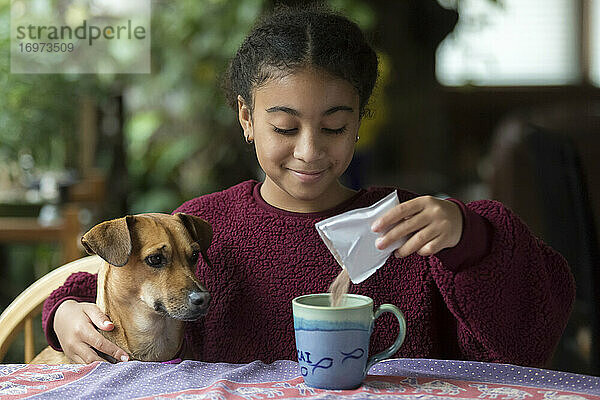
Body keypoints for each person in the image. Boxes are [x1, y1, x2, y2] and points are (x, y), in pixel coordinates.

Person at [42, 5, 574, 367]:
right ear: (247, 119)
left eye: (335, 126)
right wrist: (62, 313)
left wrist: (470, 238)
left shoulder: (412, 228)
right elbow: (113, 280)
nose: (310, 150)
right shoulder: (200, 230)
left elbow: (532, 338)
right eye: (284, 127)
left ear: (362, 119)